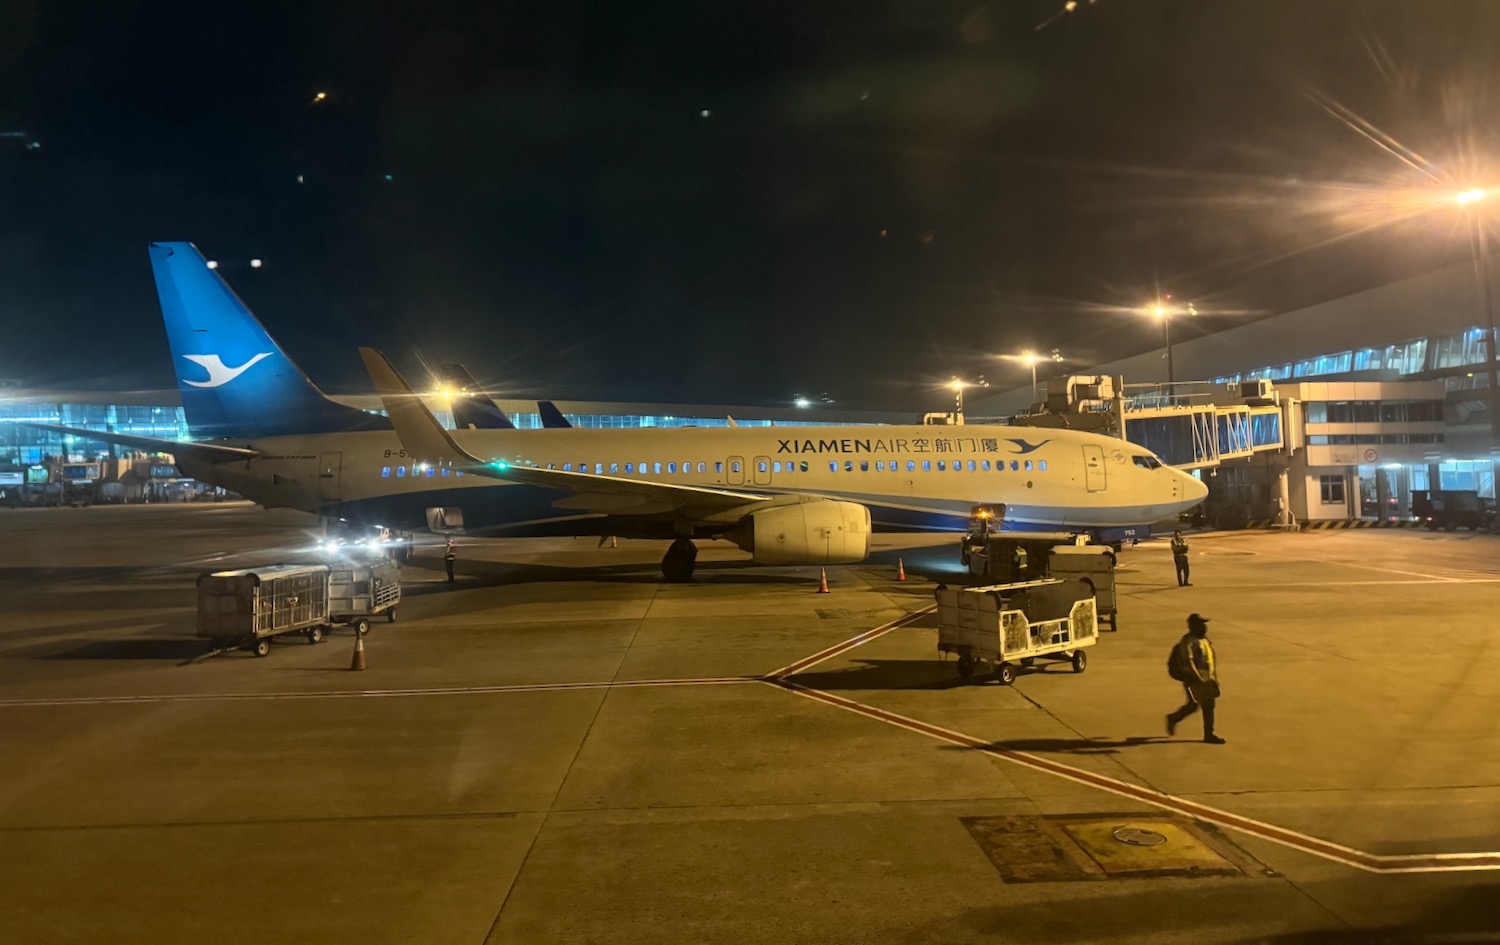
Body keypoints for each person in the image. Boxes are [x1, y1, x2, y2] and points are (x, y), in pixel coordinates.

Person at [1166, 613, 1224, 744]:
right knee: (1196, 705)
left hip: (1206, 678)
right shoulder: (1188, 642)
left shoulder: (1204, 640)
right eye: (1200, 624)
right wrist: (1197, 677)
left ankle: (1208, 733)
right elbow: (1188, 661)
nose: (1204, 626)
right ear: (1192, 626)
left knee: (1204, 705)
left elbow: (1210, 661)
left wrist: (1213, 678)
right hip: (1193, 678)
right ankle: (1174, 718)